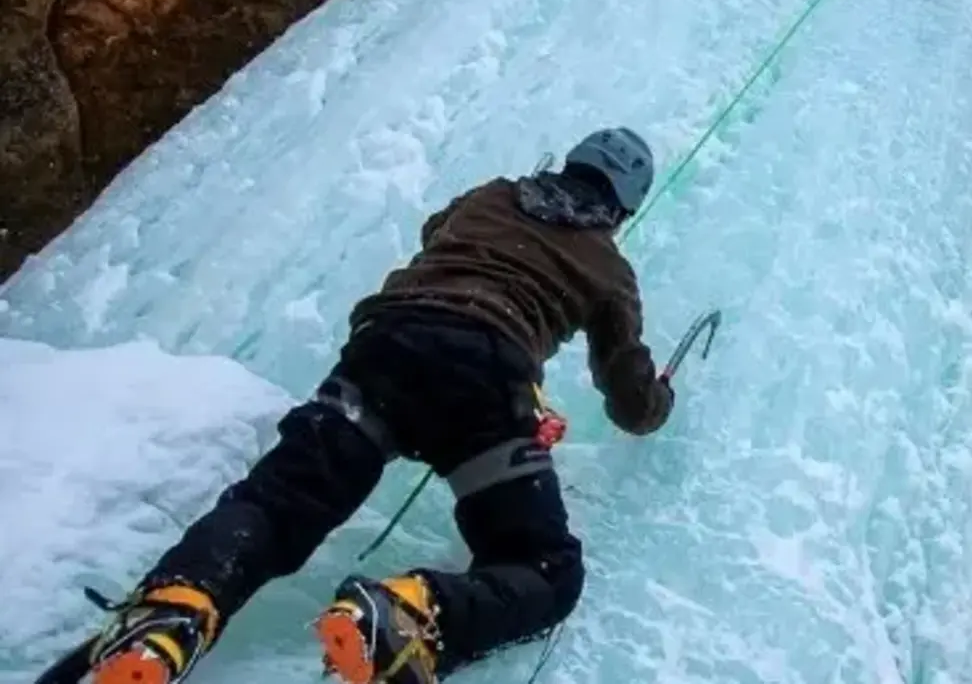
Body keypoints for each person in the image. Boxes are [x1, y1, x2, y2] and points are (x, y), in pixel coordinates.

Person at [82, 127, 676, 684]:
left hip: (385, 352)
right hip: (486, 388)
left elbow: (435, 234)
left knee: (279, 502)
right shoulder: (609, 269)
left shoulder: (491, 196)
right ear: (624, 208)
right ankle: (411, 611)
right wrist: (659, 398)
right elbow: (631, 402)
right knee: (546, 568)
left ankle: (175, 610)